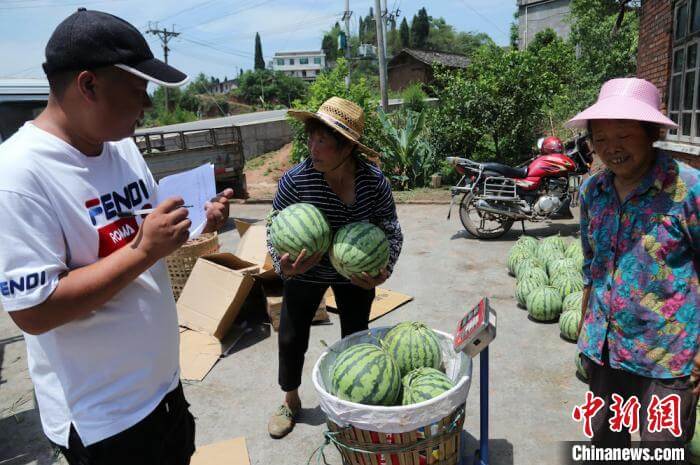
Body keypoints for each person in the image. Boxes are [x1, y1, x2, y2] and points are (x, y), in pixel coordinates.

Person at [0, 9, 233, 465]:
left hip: (163, 389)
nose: (147, 106)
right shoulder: (19, 174)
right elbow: (34, 311)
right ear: (88, 86)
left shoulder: (121, 146)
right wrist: (144, 249)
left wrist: (197, 220)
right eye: (137, 90)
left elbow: (141, 231)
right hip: (104, 422)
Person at [567, 78, 699, 448]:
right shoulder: (593, 190)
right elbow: (591, 265)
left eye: (623, 136)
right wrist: (585, 330)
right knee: (606, 446)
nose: (612, 149)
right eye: (601, 139)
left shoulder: (688, 190)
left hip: (668, 358)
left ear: (651, 132)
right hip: (605, 352)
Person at [265, 97, 403, 439]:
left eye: (323, 141)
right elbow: (273, 228)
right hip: (305, 271)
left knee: (355, 336)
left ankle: (349, 402)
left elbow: (390, 229)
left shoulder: (374, 182)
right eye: (311, 138)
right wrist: (284, 268)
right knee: (291, 336)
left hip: (356, 273)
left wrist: (384, 270)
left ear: (347, 147)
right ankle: (291, 400)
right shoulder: (295, 182)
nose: (313, 147)